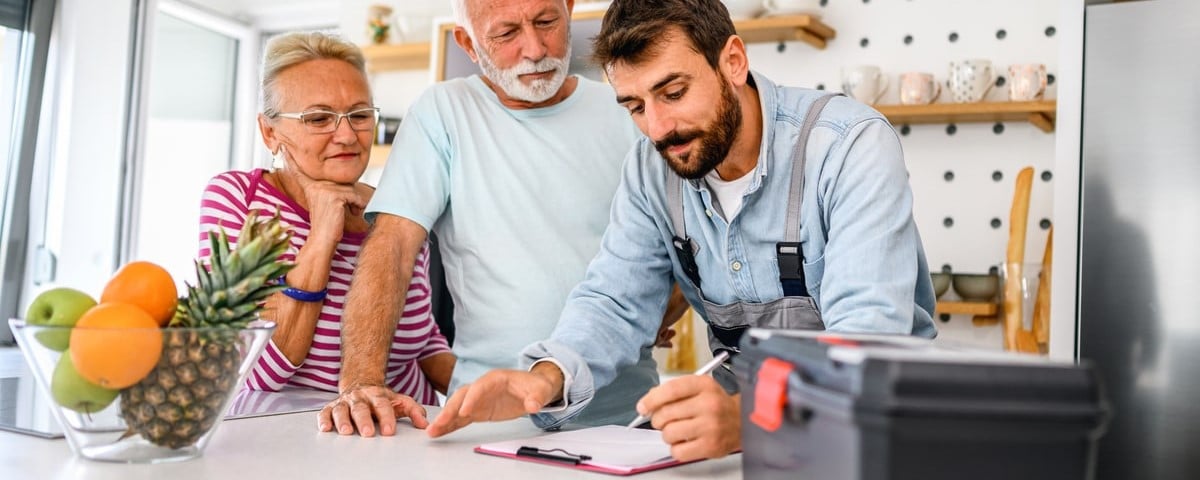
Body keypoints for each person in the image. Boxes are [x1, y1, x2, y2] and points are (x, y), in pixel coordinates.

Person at [425, 0, 938, 462]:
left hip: (874, 429)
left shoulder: (849, 147)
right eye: (635, 106)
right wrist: (544, 380)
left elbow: (867, 339)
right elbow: (614, 301)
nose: (658, 128)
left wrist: (751, 421)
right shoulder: (651, 169)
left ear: (732, 62)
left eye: (673, 92)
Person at [318, 0, 677, 436]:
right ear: (468, 43)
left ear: (569, 10)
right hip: (488, 421)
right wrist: (361, 382)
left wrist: (649, 315)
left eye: (547, 22)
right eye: (506, 34)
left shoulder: (630, 109)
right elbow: (392, 247)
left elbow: (679, 244)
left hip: (626, 416)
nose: (534, 48)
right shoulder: (443, 112)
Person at [199, 32, 454, 419]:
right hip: (290, 435)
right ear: (270, 132)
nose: (348, 135)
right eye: (318, 118)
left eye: (360, 115)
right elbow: (258, 371)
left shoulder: (395, 208)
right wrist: (322, 236)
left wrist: (495, 395)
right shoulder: (239, 199)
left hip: (406, 427)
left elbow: (424, 341)